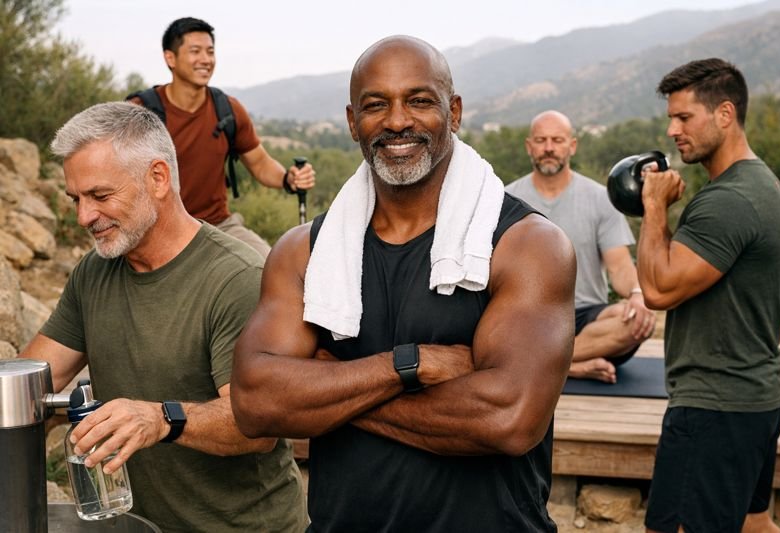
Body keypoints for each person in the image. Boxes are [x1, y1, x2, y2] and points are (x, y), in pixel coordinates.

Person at [230, 35, 575, 532]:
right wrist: (410, 365)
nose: (396, 121)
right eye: (376, 105)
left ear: (453, 112)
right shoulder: (304, 250)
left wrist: (327, 390)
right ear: (352, 122)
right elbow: (255, 402)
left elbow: (509, 417)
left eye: (418, 101)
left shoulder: (527, 245)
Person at [20, 102, 308, 533]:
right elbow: (31, 379)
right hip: (142, 525)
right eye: (75, 199)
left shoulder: (235, 278)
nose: (84, 217)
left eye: (100, 196)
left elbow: (258, 425)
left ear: (158, 178)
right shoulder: (93, 273)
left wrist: (159, 419)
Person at [638, 58, 780, 533]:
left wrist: (653, 206)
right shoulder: (757, 182)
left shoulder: (729, 201)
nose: (672, 130)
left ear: (724, 114)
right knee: (755, 526)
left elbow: (658, 288)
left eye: (684, 117)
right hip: (756, 396)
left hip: (715, 406)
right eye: (670, 117)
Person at [130, 16, 316, 257]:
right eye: (195, 51)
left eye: (210, 51)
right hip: (157, 227)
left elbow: (259, 163)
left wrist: (288, 179)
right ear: (170, 58)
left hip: (217, 225)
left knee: (270, 268)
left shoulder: (226, 109)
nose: (206, 60)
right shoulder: (141, 111)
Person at [506, 110, 656, 383]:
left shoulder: (601, 199)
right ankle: (574, 366)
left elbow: (620, 266)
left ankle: (546, 366)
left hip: (588, 317)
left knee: (637, 320)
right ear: (529, 146)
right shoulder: (506, 200)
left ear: (572, 146)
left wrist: (636, 294)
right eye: (541, 140)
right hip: (529, 318)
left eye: (557, 140)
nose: (549, 148)